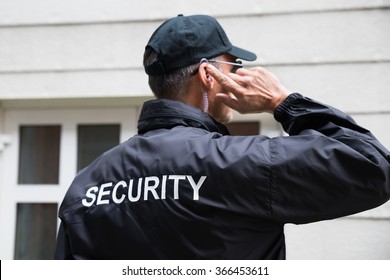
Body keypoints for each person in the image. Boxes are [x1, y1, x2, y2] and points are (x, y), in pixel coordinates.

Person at [55, 14, 390, 260]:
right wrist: (283, 102)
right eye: (234, 66)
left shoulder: (86, 183)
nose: (240, 74)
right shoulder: (241, 162)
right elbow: (372, 166)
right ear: (208, 75)